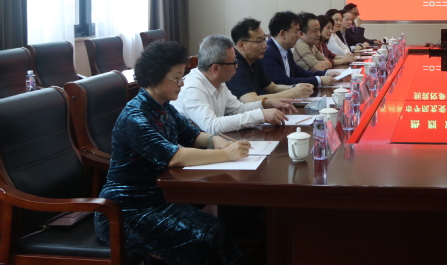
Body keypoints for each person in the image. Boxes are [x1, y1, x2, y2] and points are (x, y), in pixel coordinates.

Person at [95, 40, 247, 264]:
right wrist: (226, 155)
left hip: (161, 197)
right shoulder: (136, 117)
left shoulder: (162, 106)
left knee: (219, 225)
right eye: (176, 78)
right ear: (155, 77)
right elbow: (175, 157)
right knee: (206, 233)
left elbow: (191, 134)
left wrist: (214, 140)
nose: (181, 84)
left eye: (182, 77)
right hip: (126, 212)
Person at [173, 34, 294, 135]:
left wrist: (265, 103)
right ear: (215, 68)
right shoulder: (192, 87)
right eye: (234, 62)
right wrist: (260, 116)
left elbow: (238, 109)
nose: (237, 66)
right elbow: (212, 126)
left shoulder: (219, 82)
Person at [226, 17, 315, 103]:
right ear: (241, 45)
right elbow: (250, 100)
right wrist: (292, 93)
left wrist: (296, 87)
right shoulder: (234, 64)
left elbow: (272, 88)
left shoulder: (255, 60)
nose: (265, 45)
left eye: (264, 39)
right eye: (259, 41)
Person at [262, 11, 336, 88]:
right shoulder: (268, 53)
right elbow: (282, 81)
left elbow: (299, 72)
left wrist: (325, 74)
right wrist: (318, 80)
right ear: (283, 34)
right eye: (296, 32)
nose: (299, 35)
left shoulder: (286, 50)